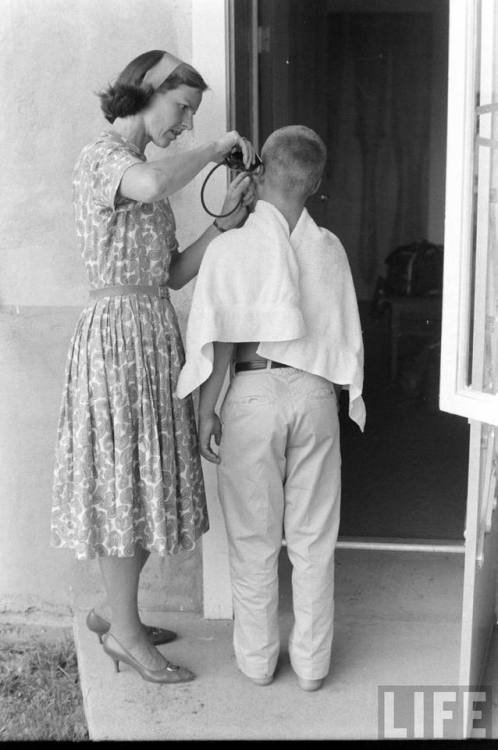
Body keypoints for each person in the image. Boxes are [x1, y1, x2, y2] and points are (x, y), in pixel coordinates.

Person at [51, 49, 256, 685]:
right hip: (115, 341)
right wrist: (219, 143)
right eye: (182, 108)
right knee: (122, 485)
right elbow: (151, 185)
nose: (187, 125)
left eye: (195, 116)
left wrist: (227, 220)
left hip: (149, 335)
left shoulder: (143, 169)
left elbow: (170, 273)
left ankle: (118, 615)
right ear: (146, 90)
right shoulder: (106, 159)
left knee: (137, 486)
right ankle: (126, 635)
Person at [176, 125, 365, 691]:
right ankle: (312, 666)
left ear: (261, 173)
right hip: (313, 394)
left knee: (254, 536)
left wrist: (209, 408)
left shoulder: (235, 246)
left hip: (254, 394)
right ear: (317, 184)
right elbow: (338, 335)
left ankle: (258, 661)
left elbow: (226, 337)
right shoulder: (328, 247)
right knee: (313, 537)